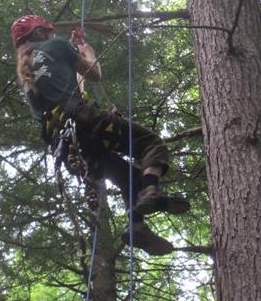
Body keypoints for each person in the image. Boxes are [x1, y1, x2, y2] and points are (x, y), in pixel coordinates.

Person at [11, 14, 189, 255]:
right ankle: (150, 191)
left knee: (127, 176)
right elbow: (94, 74)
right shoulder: (57, 46)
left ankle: (136, 226)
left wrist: (74, 58)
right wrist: (87, 51)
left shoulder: (26, 77)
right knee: (150, 143)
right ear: (41, 33)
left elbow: (74, 91)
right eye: (48, 32)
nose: (52, 35)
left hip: (70, 148)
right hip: (87, 122)